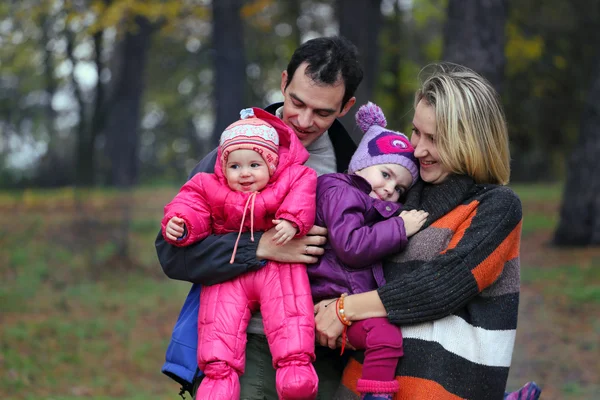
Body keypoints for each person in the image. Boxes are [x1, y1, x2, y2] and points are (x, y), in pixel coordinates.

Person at [155, 35, 364, 399]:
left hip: (331, 350)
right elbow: (172, 254)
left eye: (323, 112)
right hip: (245, 344)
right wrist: (260, 247)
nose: (304, 119)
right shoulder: (236, 155)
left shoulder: (358, 167)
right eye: (296, 102)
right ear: (283, 82)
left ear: (346, 107)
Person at [313, 63, 532, 400]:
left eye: (435, 139)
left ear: (471, 142)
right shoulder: (398, 193)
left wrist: (344, 309)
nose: (418, 149)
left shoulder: (496, 207)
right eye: (417, 131)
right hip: (361, 386)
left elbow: (442, 285)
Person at [161, 108, 318, 399]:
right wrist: (180, 223)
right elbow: (191, 202)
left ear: (272, 164)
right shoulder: (209, 185)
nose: (244, 173)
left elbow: (303, 186)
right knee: (219, 323)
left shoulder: (289, 177)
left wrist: (292, 219)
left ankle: (295, 367)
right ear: (223, 167)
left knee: (290, 312)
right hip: (230, 269)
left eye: (254, 164)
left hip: (278, 267)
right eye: (235, 166)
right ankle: (218, 380)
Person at [309, 102, 428, 400]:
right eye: (386, 174)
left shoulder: (369, 204)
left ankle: (376, 394)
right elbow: (350, 246)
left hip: (348, 303)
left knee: (389, 338)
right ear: (361, 163)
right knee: (385, 336)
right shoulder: (340, 192)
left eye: (400, 188)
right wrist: (400, 228)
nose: (390, 189)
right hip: (324, 303)